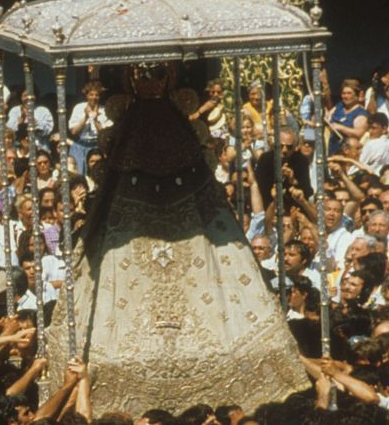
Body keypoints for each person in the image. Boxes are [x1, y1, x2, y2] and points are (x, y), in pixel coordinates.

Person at [46, 62, 307, 414]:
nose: (149, 81)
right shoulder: (130, 126)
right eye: (141, 75)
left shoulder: (178, 124)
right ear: (130, 79)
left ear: (168, 77)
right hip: (128, 205)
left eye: (157, 74)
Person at [69, 80, 112, 175]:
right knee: (79, 174)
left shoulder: (104, 110)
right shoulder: (79, 108)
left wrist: (96, 120)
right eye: (91, 94)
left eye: (97, 95)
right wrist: (85, 117)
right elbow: (73, 132)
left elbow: (105, 135)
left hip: (96, 146)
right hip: (80, 145)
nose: (94, 97)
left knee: (97, 174)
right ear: (86, 95)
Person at [326, 79, 368, 156]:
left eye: (349, 93)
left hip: (345, 153)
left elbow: (359, 134)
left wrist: (341, 128)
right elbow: (328, 117)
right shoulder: (340, 106)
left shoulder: (360, 114)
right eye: (343, 93)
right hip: (331, 148)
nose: (345, 96)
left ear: (356, 95)